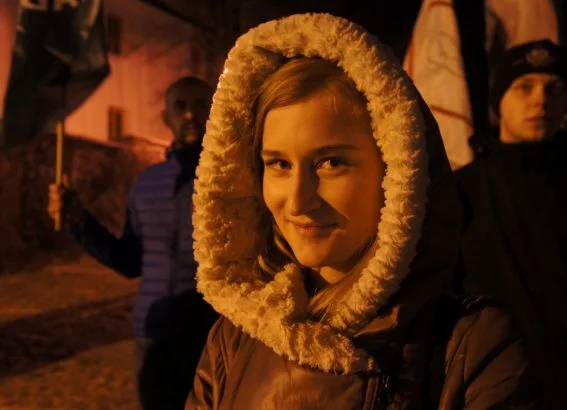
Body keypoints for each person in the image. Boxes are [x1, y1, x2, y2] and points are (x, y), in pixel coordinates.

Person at [187, 14, 539, 409]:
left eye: (331, 163)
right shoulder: (233, 340)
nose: (298, 201)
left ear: (397, 173)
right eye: (279, 164)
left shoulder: (472, 348)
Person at [47, 76, 218, 409]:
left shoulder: (230, 181)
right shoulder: (146, 184)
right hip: (153, 333)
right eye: (180, 106)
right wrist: (79, 221)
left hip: (210, 338)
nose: (190, 115)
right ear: (166, 117)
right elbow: (129, 261)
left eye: (200, 105)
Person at [456, 39, 567, 408]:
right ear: (498, 101)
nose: (541, 101)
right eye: (524, 87)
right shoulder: (464, 192)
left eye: (555, 89)